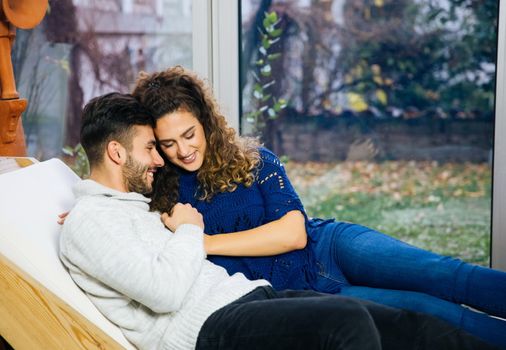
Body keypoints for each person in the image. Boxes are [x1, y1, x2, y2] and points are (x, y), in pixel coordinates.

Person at [59, 92, 498, 350]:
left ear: (207, 124)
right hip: (241, 310)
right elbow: (153, 276)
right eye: (160, 145)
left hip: (306, 257)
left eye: (186, 136)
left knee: (433, 291)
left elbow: (293, 232)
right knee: (390, 315)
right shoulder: (147, 198)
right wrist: (89, 210)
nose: (171, 153)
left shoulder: (242, 162)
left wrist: (195, 237)